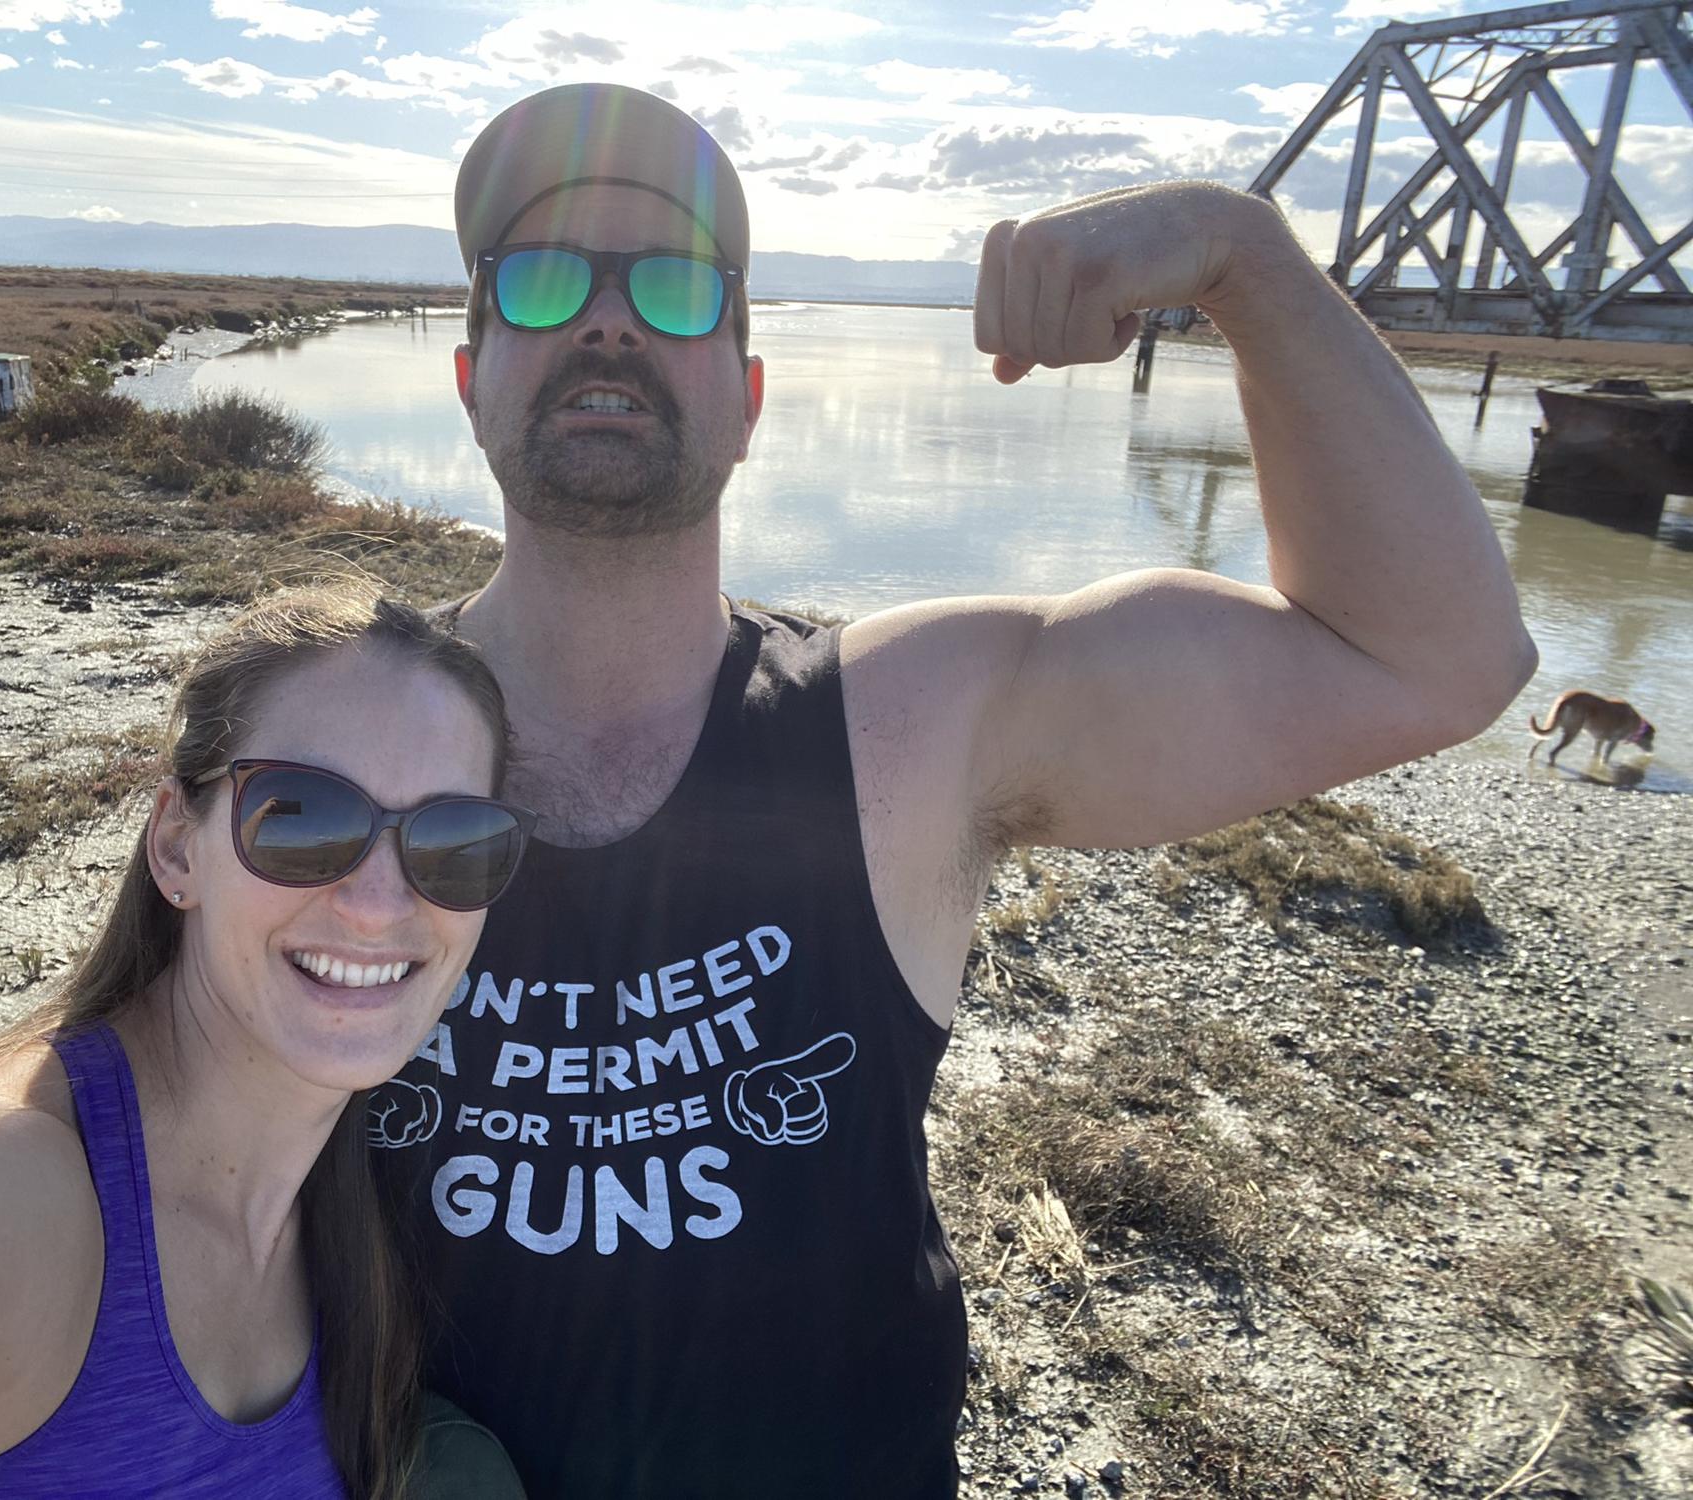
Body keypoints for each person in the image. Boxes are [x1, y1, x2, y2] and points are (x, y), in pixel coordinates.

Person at [366, 83, 1539, 1498]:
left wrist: (1244, 258)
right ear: (469, 369)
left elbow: (1433, 660)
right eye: (542, 280)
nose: (607, 322)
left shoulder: (907, 724)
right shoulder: (331, 740)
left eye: (675, 290)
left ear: (746, 399)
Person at [0, 586, 531, 1500]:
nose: (378, 906)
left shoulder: (340, 1229)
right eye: (300, 818)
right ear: (177, 844)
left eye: (454, 843)